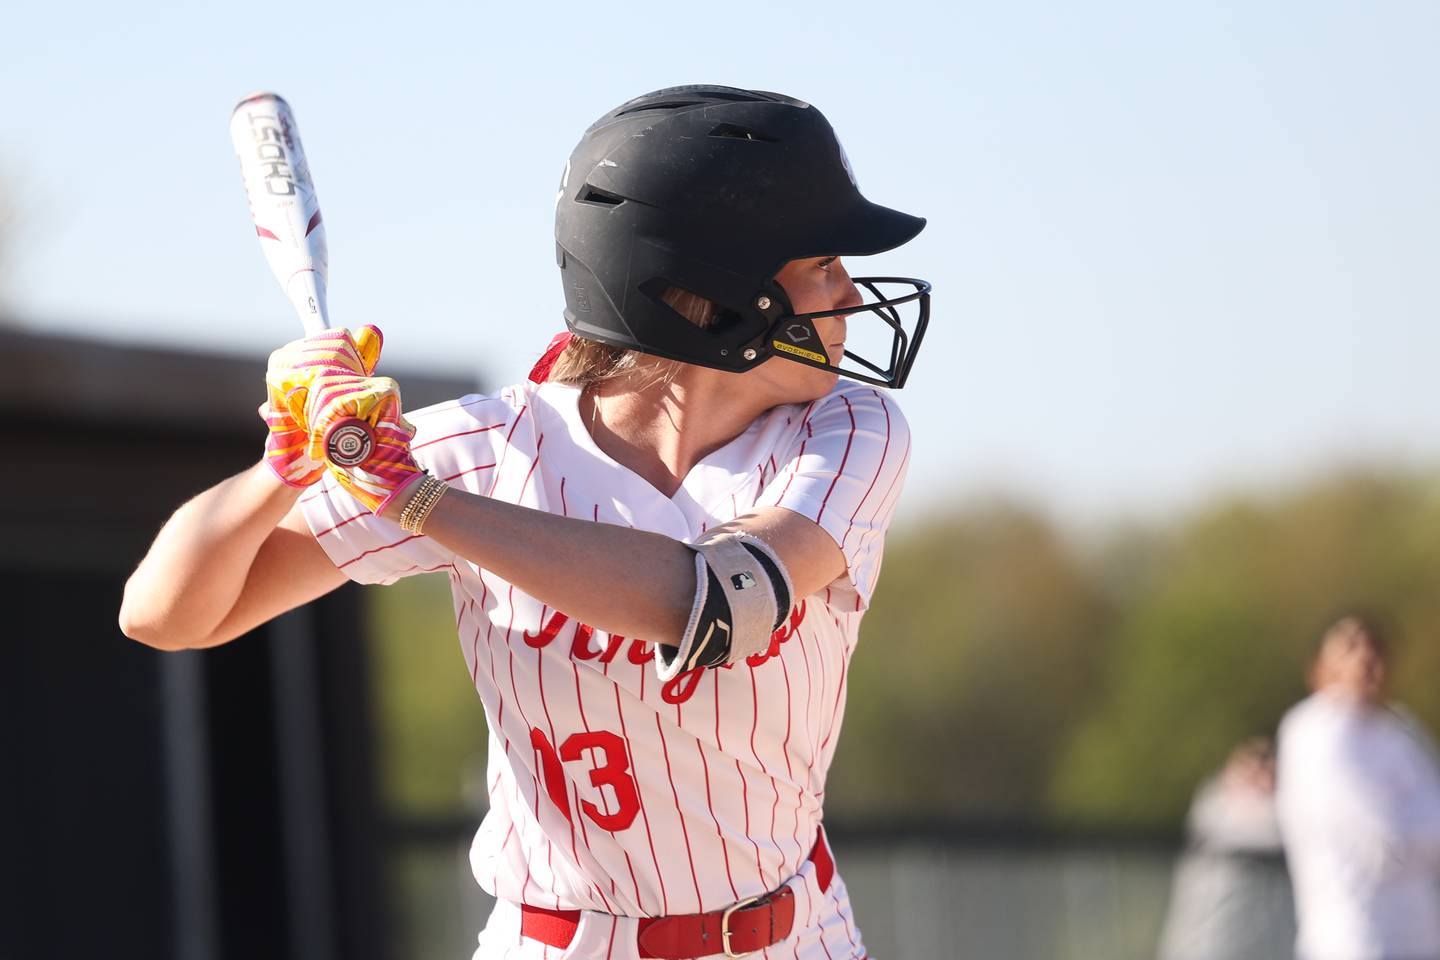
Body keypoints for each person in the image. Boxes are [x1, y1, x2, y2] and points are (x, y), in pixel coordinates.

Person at [121, 85, 931, 959]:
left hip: (789, 935)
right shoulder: (487, 448)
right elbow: (166, 614)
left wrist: (421, 503)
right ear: (716, 297)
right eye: (824, 267)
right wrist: (284, 465)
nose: (850, 295)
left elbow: (720, 602)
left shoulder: (846, 431)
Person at [1276, 614, 1440, 960]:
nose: (1366, 658)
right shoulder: (1315, 732)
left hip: (1420, 941)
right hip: (1354, 942)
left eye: (1375, 648)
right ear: (1319, 665)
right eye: (1350, 648)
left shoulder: (1399, 730)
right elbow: (1381, 843)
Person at [1157, 738, 1294, 960]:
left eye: (1266, 768)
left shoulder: (1287, 811)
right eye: (1249, 768)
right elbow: (1264, 825)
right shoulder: (1215, 805)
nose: (1258, 777)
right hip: (1207, 946)